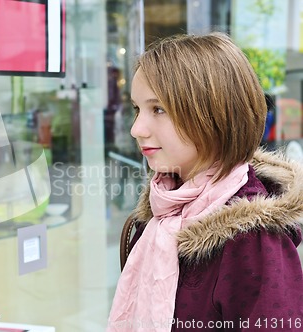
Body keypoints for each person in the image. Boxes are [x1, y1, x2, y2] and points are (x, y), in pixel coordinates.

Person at [107, 32, 303, 332]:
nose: (137, 129)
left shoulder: (252, 240)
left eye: (158, 109)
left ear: (214, 114)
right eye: (137, 109)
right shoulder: (163, 212)